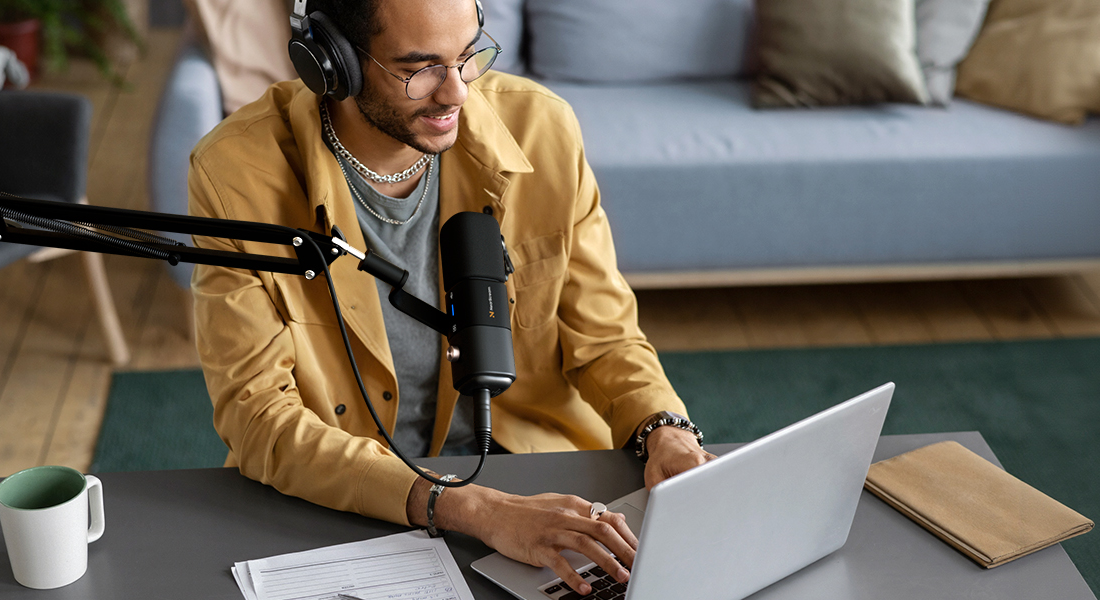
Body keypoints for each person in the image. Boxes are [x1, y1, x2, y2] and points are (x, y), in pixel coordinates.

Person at [187, 0, 715, 595]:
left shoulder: (543, 130)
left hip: (536, 476)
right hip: (348, 498)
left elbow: (605, 336)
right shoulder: (236, 172)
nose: (457, 93)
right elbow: (261, 419)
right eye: (420, 69)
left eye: (468, 56)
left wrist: (663, 427)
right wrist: (474, 510)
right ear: (333, 63)